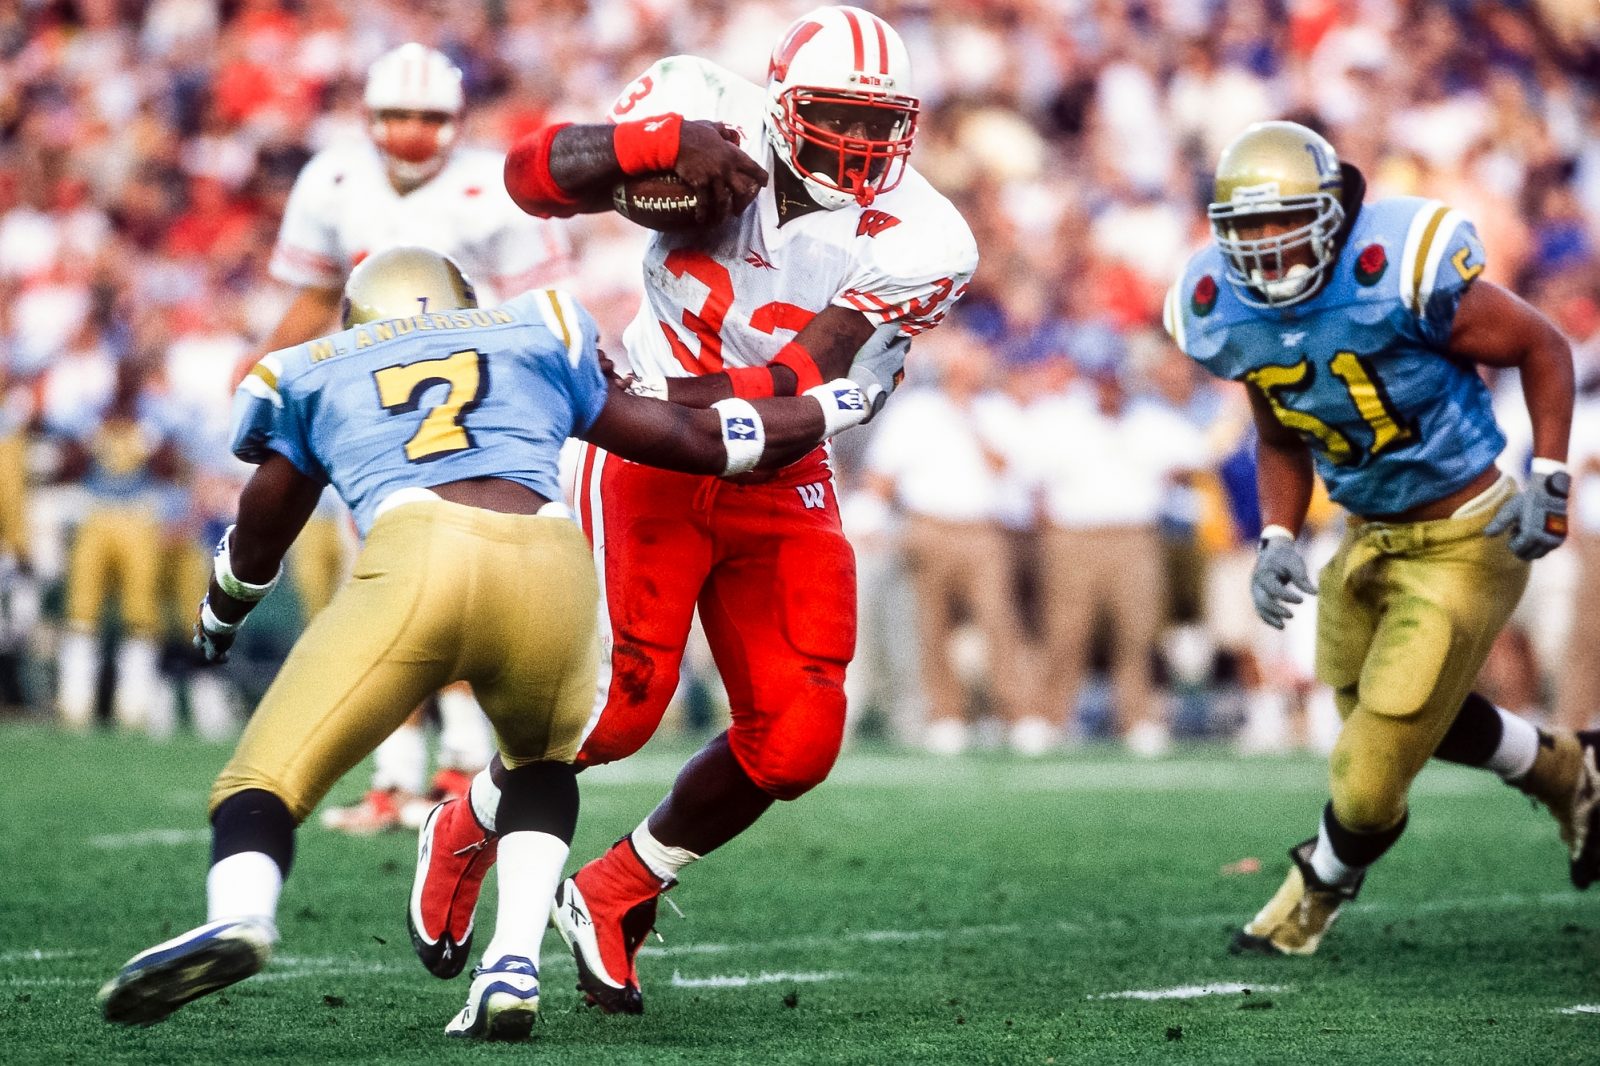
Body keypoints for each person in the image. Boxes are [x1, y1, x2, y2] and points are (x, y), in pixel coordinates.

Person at [96, 248, 876, 1038]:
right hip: (547, 559)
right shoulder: (536, 328)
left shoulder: (309, 368)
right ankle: (512, 965)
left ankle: (242, 917)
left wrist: (223, 612)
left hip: (416, 556)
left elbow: (263, 526)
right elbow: (689, 438)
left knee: (262, 777)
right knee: (543, 760)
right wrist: (828, 408)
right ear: (463, 301)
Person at [409, 4, 977, 1014]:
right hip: (654, 463)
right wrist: (653, 146)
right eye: (835, 116)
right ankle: (467, 817)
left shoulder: (929, 234)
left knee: (797, 739)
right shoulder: (705, 111)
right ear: (778, 104)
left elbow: (811, 366)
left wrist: (628, 402)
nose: (855, 144)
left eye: (876, 122)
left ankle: (620, 887)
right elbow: (530, 178)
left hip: (784, 440)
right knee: (613, 714)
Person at [1164, 120, 1600, 957]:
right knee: (1379, 708)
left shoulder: (1393, 267)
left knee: (1368, 774)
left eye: (1281, 221)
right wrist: (1279, 533)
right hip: (1367, 533)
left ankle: (1313, 891)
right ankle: (1570, 773)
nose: (1263, 246)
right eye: (1245, 229)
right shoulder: (1223, 307)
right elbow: (1281, 430)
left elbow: (1543, 346)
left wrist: (1550, 473)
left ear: (1330, 214)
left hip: (1468, 531)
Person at [263, 42, 577, 833]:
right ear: (367, 118)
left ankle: (463, 763)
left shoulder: (493, 189)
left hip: (476, 414)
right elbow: (311, 303)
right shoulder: (333, 180)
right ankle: (401, 775)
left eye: (428, 117)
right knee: (384, 586)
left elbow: (546, 316)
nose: (409, 132)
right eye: (394, 116)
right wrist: (266, 378)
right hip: (372, 413)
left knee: (461, 586)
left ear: (458, 120)